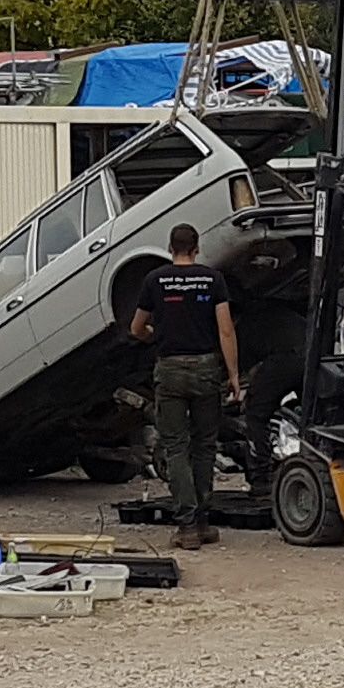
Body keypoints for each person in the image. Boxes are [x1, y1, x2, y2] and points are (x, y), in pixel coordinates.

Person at [130, 224, 240, 551]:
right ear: (197, 248)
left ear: (170, 247)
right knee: (205, 445)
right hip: (206, 368)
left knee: (176, 446)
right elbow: (226, 331)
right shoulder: (212, 279)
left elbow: (136, 328)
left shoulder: (155, 280)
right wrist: (233, 375)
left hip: (170, 368)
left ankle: (187, 526)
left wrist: (154, 335)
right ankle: (203, 522)